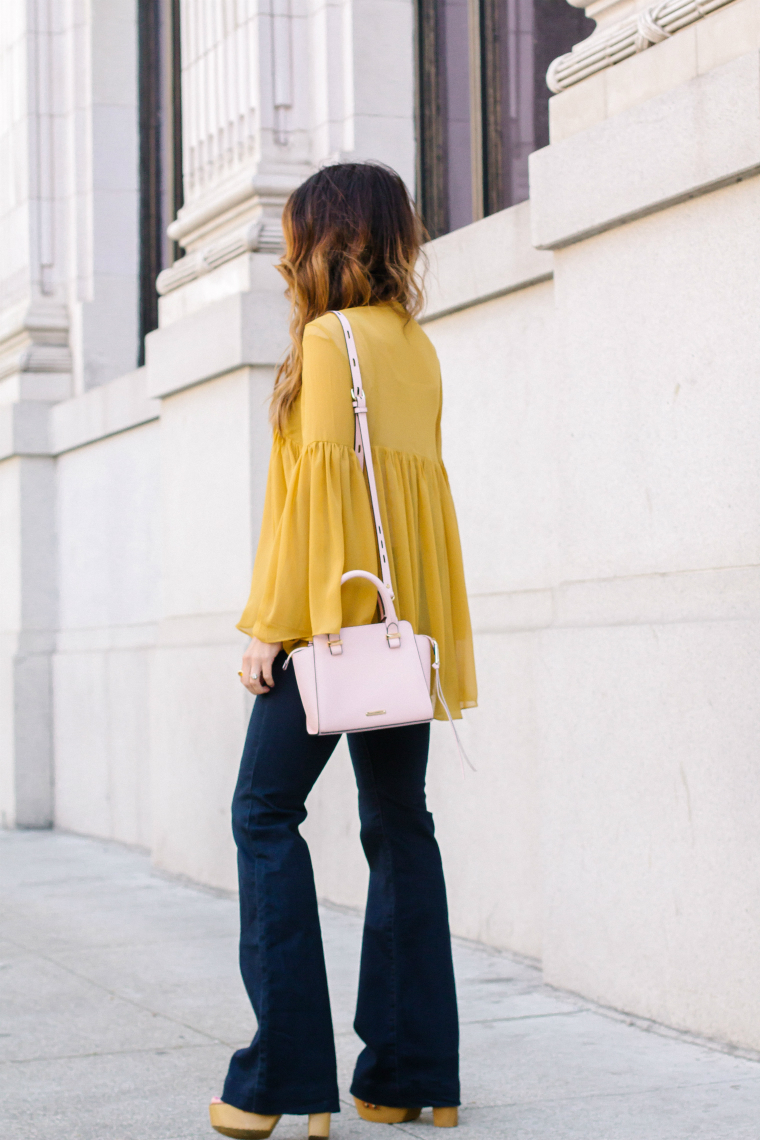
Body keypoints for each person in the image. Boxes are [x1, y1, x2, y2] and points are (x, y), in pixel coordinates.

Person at [209, 162, 477, 1140]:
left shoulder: (327, 342)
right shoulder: (413, 344)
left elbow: (319, 501)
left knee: (262, 814)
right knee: (399, 822)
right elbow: (414, 502)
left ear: (321, 239)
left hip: (329, 623)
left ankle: (280, 1079)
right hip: (401, 629)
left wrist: (268, 629)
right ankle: (411, 1075)